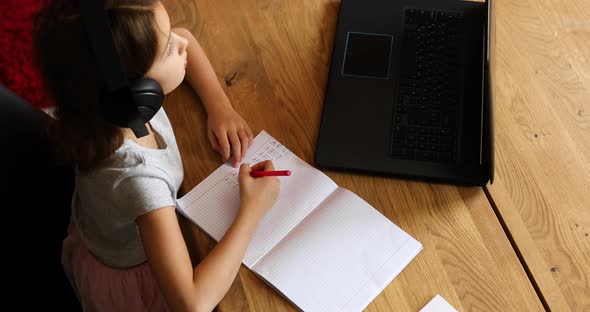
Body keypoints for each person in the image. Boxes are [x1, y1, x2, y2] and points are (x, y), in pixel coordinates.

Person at [33, 0, 280, 311]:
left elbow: (185, 34)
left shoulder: (102, 104)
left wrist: (220, 106)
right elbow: (192, 303)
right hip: (136, 278)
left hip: (103, 228)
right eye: (168, 49)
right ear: (138, 91)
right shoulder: (140, 179)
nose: (182, 43)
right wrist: (252, 211)